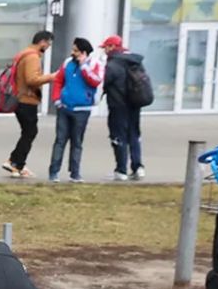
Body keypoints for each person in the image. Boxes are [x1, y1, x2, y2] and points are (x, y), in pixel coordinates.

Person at [1, 30, 56, 178]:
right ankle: (15, 163)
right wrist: (51, 77)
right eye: (48, 44)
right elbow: (32, 79)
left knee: (28, 132)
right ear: (42, 42)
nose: (48, 47)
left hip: (21, 99)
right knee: (30, 132)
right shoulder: (32, 57)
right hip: (26, 100)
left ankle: (17, 163)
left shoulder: (24, 53)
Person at [48, 37, 104, 183]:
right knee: (60, 140)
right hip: (65, 107)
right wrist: (57, 99)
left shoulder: (95, 64)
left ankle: (75, 173)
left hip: (82, 109)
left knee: (77, 141)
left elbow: (95, 81)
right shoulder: (67, 63)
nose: (73, 53)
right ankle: (54, 172)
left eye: (76, 50)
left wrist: (84, 66)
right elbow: (59, 80)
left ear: (84, 52)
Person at [101, 35, 147, 181]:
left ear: (112, 47)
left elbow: (104, 82)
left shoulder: (113, 64)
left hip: (117, 106)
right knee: (134, 135)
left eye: (106, 48)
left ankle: (121, 170)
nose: (104, 51)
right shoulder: (136, 62)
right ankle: (138, 167)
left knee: (118, 137)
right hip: (135, 104)